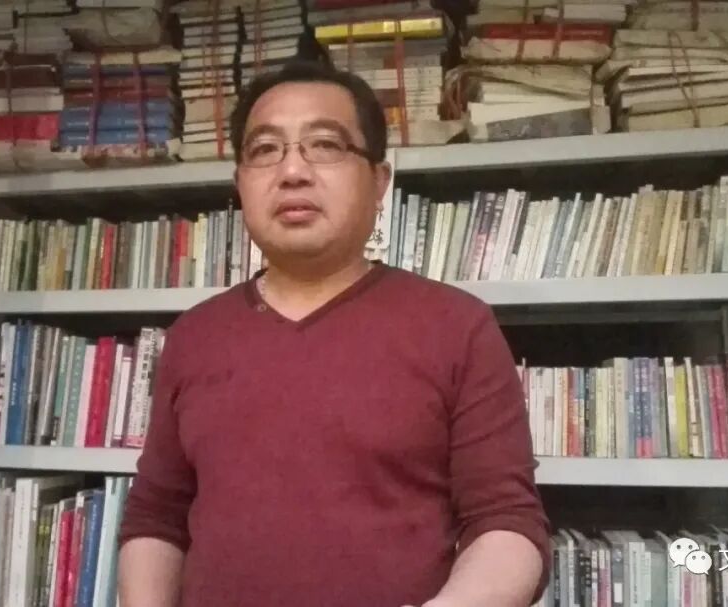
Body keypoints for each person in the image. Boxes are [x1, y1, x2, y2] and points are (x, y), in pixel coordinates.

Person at [117, 60, 551, 607]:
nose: (292, 171)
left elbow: (506, 522)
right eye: (264, 149)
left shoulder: (457, 326)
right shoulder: (194, 335)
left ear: (379, 182)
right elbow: (157, 517)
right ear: (240, 184)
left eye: (325, 145)